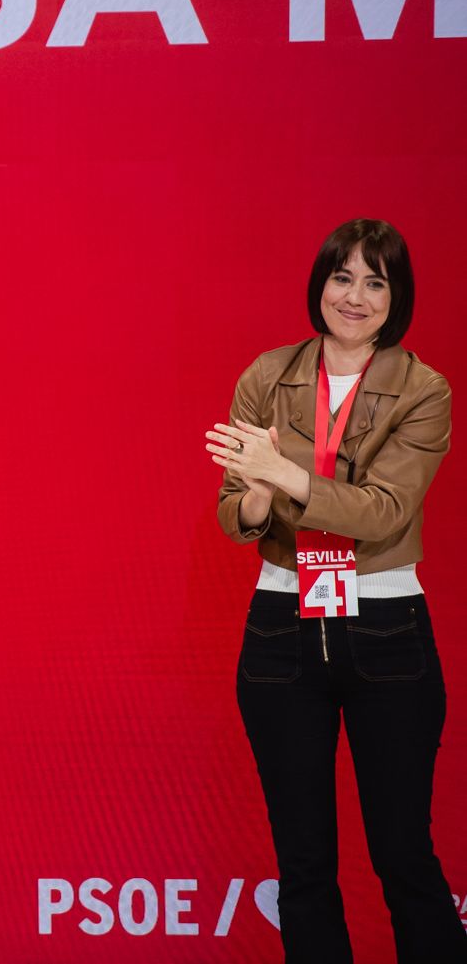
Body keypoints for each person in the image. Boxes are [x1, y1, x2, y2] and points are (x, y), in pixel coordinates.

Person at [205, 218, 467, 963]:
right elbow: (235, 512)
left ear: (397, 298)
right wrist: (255, 498)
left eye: (375, 281)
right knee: (304, 865)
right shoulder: (267, 374)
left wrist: (288, 476)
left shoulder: (425, 390)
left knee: (403, 856)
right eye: (342, 276)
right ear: (320, 283)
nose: (354, 296)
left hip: (387, 631)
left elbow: (385, 511)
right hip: (281, 631)